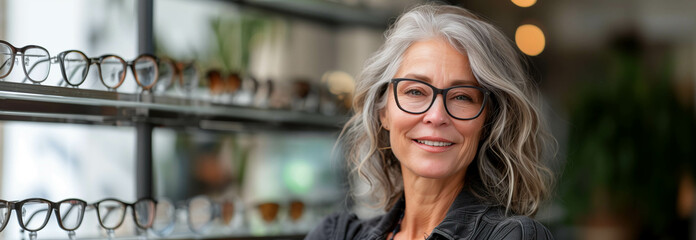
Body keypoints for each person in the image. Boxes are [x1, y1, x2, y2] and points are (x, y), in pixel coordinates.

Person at [306, 3, 555, 240]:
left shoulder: (513, 236)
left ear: (488, 121)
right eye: (415, 91)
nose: (436, 116)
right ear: (383, 112)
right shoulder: (335, 234)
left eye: (462, 97)